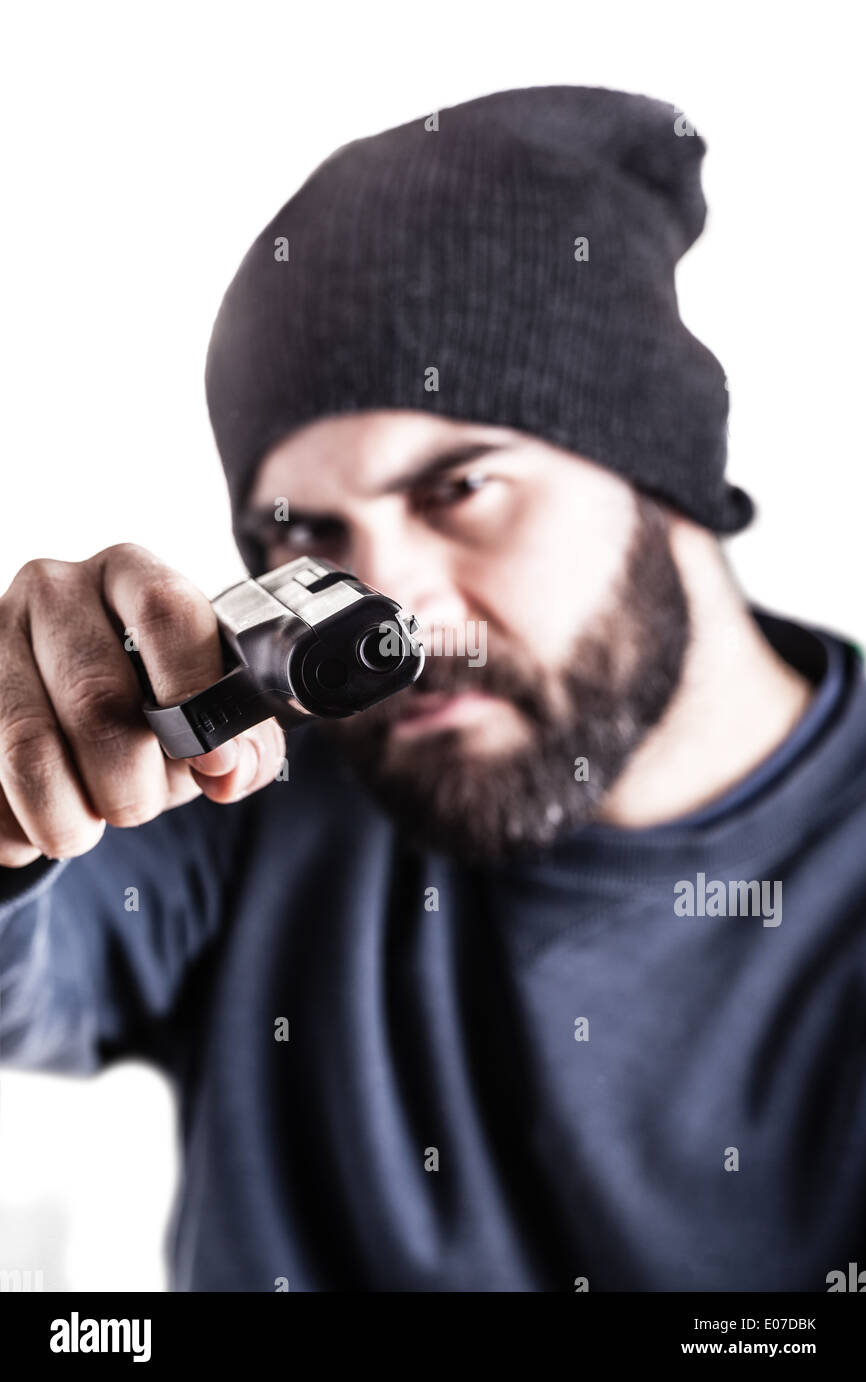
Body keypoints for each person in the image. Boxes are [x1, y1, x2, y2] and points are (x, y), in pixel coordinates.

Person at [1, 85, 864, 1292]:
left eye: (458, 489)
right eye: (307, 541)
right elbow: (30, 976)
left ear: (658, 476)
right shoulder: (254, 792)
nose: (390, 603)